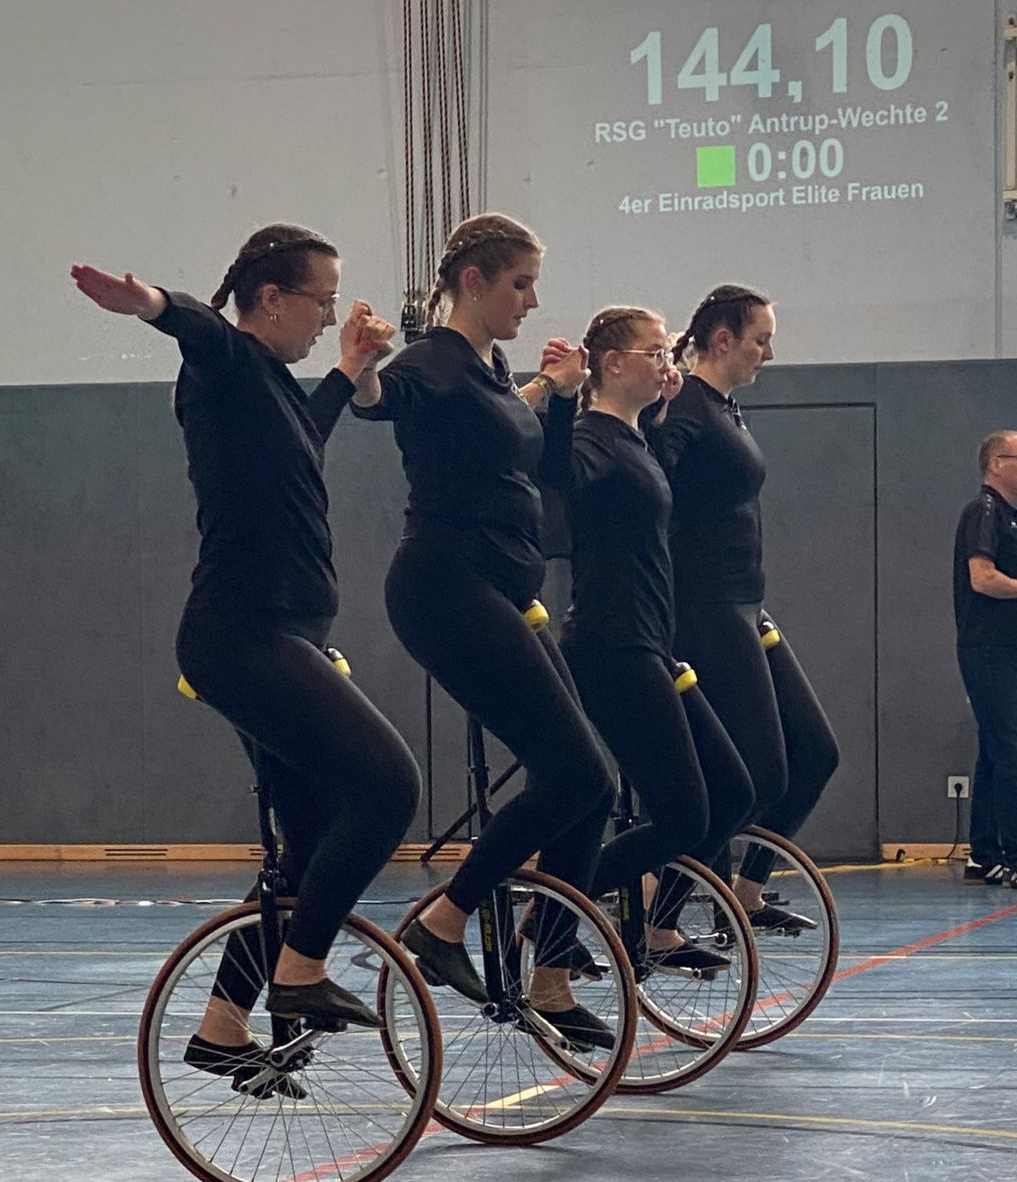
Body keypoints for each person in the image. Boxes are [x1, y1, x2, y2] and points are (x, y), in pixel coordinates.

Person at [72, 224, 419, 1085]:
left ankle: (223, 1026)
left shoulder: (267, 388)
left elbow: (303, 438)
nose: (328, 317)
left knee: (311, 846)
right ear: (271, 299)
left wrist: (346, 369)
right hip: (243, 636)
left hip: (283, 635)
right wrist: (150, 303)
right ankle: (300, 970)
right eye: (321, 303)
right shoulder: (225, 364)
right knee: (388, 786)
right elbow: (198, 325)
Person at [352, 212, 616, 1050]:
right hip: (445, 588)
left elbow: (549, 470)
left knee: (596, 784)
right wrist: (360, 369)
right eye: (520, 284)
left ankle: (551, 975)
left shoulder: (493, 371)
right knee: (573, 771)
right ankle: (445, 920)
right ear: (474, 281)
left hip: (497, 588)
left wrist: (563, 397)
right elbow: (379, 402)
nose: (531, 302)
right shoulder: (432, 362)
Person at [539, 307, 754, 970]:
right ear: (612, 363)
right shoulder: (589, 438)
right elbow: (557, 479)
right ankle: (554, 913)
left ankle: (607, 919)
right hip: (611, 645)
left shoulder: (633, 439)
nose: (668, 365)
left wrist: (658, 419)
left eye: (667, 353)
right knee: (684, 815)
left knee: (733, 791)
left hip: (652, 643)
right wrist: (558, 401)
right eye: (655, 353)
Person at [648, 286, 838, 930]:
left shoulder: (724, 408)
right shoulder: (685, 408)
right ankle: (658, 913)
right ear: (723, 340)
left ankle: (747, 892)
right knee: (754, 773)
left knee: (815, 753)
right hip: (703, 609)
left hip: (745, 605)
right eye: (761, 340)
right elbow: (648, 481)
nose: (769, 353)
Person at [953, 431, 1017, 890]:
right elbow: (983, 579)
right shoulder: (984, 512)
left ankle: (984, 854)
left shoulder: (1009, 518)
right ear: (997, 463)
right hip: (989, 650)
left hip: (1010, 651)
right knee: (1013, 751)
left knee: (995, 751)